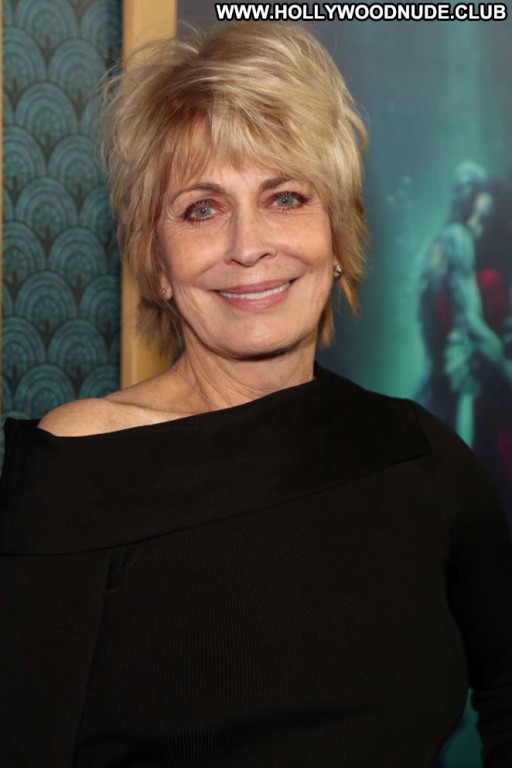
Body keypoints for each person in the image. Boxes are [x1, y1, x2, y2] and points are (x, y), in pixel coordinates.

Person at [1, 21, 511, 768]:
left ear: (337, 238)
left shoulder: (424, 458)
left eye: (286, 197)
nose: (248, 246)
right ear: (158, 262)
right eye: (202, 209)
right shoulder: (82, 465)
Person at [416, 163, 512, 521]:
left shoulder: (445, 245)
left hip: (454, 381)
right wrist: (505, 368)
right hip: (457, 378)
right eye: (478, 216)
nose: (479, 227)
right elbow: (467, 322)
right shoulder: (456, 241)